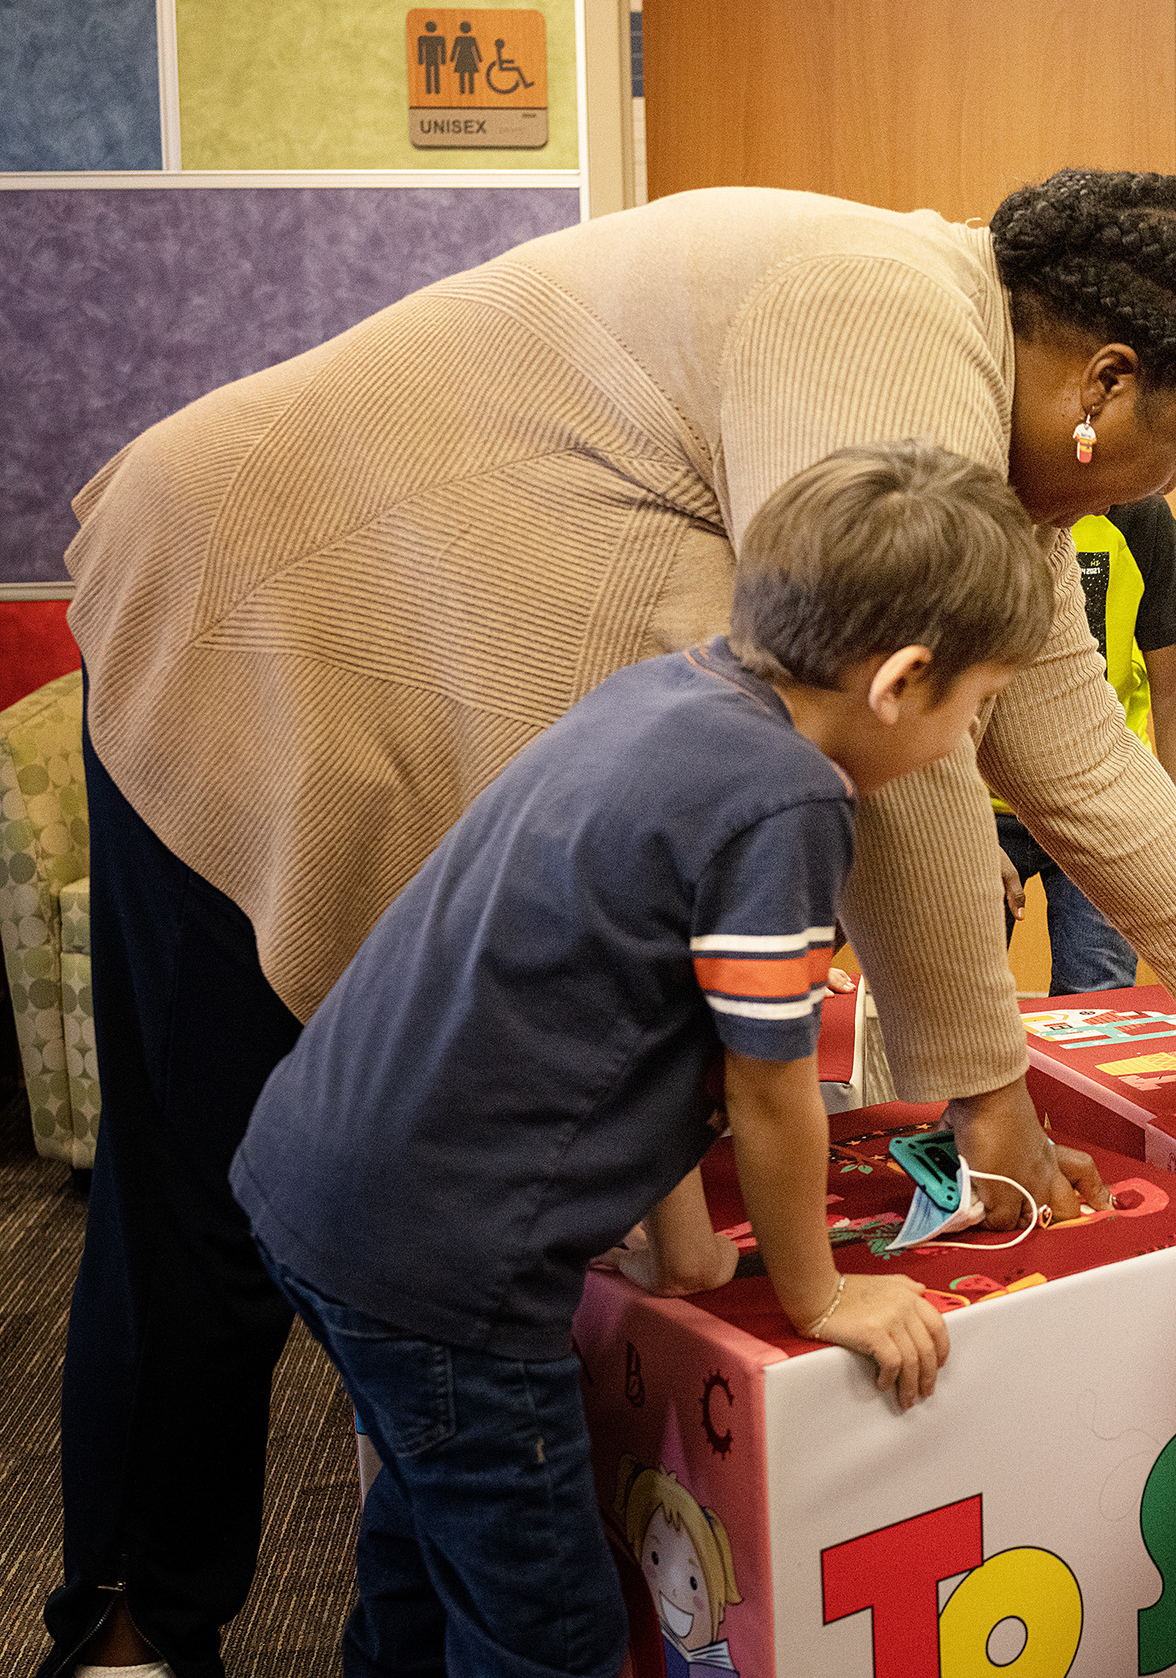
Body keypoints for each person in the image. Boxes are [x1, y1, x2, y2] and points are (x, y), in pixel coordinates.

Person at [48, 169, 1176, 1678]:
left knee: (368, 1240)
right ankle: (135, 1630)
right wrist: (979, 1092)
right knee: (201, 1204)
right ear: (1103, 381)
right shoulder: (887, 315)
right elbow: (905, 764)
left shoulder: (979, 453)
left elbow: (1044, 714)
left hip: (409, 732)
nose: (1159, 484)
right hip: (248, 606)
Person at [229, 443, 1036, 1677]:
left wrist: (684, 1246)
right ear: (902, 680)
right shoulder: (787, 804)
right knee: (548, 1627)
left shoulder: (673, 693)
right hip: (449, 1264)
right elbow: (766, 1083)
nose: (960, 742)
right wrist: (818, 1296)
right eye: (974, 709)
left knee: (425, 1539)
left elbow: (640, 1015)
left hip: (318, 1191)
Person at [995, 494, 1176, 993]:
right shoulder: (983, 506)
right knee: (960, 1008)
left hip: (1100, 802)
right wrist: (958, 825)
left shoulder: (1140, 515)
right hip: (979, 803)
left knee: (1101, 998)